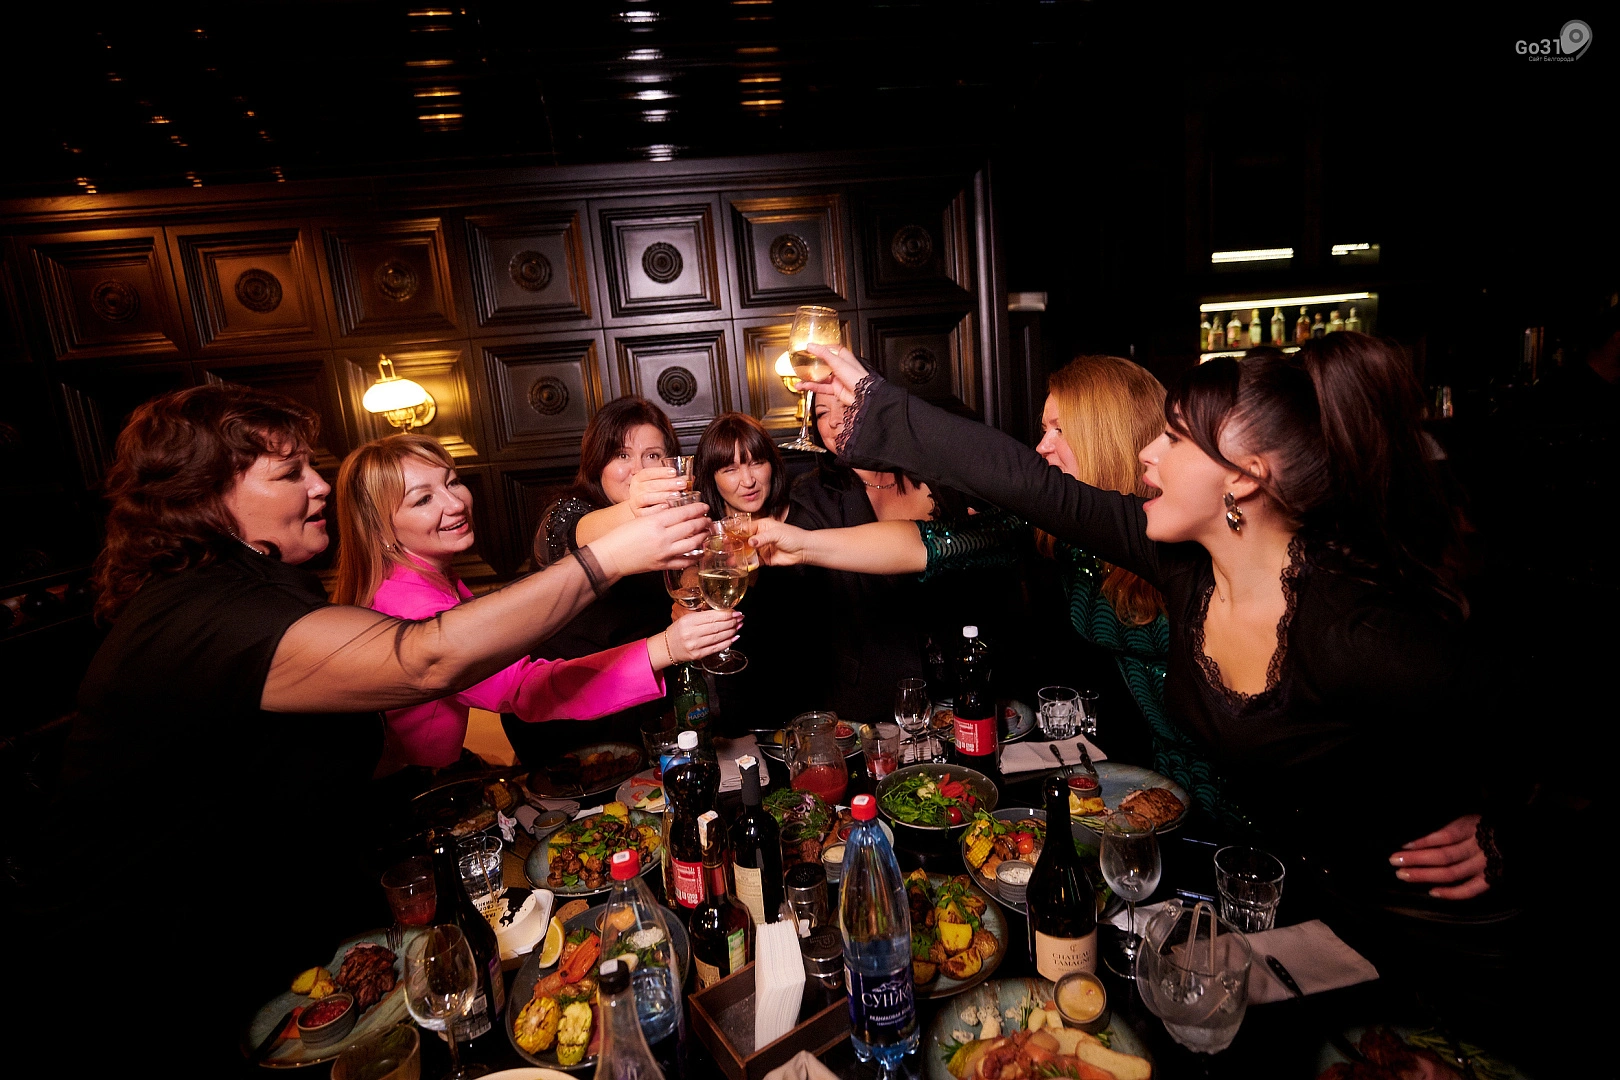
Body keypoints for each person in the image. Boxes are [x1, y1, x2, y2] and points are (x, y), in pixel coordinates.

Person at [31, 383, 709, 1062]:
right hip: (142, 961)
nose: (321, 486)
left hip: (250, 912)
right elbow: (429, 658)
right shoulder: (205, 615)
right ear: (206, 497)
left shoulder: (242, 590)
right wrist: (609, 560)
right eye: (290, 473)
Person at [798, 336, 1495, 905]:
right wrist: (874, 404)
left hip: (1382, 914)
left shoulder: (1357, 630)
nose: (1148, 453)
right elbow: (1025, 485)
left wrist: (1507, 835)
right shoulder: (1178, 563)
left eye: (1174, 438)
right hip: (1206, 851)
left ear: (1244, 477)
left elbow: (1530, 711)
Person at [751, 355, 1247, 824]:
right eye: (1043, 429)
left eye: (1059, 430)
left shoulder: (1180, 537)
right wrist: (802, 545)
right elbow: (927, 545)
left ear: (1107, 437)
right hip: (1143, 773)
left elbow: (1011, 474)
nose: (1042, 446)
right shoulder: (1054, 531)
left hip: (1234, 779)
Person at [333, 433, 739, 779]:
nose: (454, 503)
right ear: (381, 528)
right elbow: (524, 688)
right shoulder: (409, 602)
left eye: (452, 482)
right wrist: (667, 647)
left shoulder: (425, 577)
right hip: (413, 784)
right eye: (423, 499)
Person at [530, 396, 711, 753]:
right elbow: (574, 534)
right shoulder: (570, 511)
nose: (639, 470)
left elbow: (686, 577)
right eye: (622, 455)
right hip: (571, 701)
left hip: (646, 693)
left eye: (652, 456)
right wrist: (634, 508)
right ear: (598, 462)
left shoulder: (673, 518)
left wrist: (689, 601)